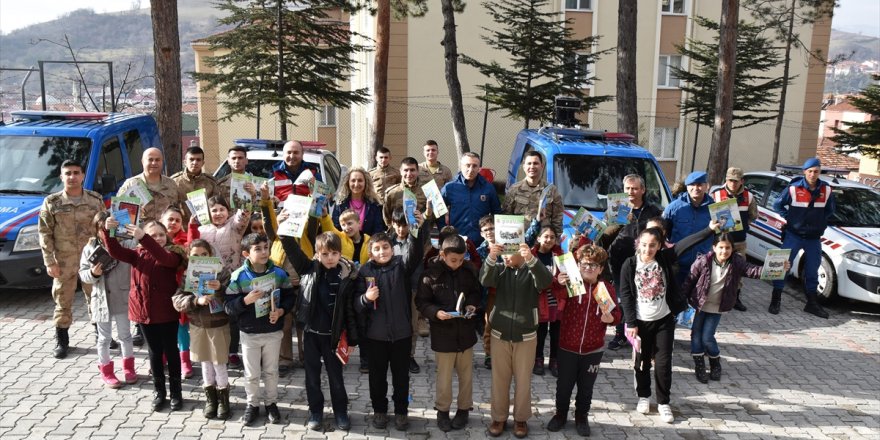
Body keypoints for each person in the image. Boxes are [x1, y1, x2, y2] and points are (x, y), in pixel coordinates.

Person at [277, 231, 360, 431]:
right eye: (324, 254)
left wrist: (352, 340)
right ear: (317, 255)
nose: (329, 258)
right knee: (312, 377)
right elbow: (293, 250)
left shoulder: (347, 276)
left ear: (340, 253)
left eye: (333, 253)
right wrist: (285, 232)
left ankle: (340, 411)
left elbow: (349, 309)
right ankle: (316, 411)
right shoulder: (309, 269)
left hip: (334, 338)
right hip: (312, 335)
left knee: (336, 378)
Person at [102, 218, 187, 411]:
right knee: (154, 352)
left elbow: (163, 259)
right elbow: (114, 251)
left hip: (166, 312)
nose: (156, 238)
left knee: (171, 350)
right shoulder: (137, 254)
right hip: (144, 311)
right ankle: (159, 392)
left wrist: (143, 237)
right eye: (152, 234)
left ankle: (176, 392)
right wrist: (109, 232)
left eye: (160, 235)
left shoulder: (174, 253)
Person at [682, 233, 787, 383]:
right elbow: (689, 281)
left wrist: (777, 268)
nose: (724, 251)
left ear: (732, 249)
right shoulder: (703, 261)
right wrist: (680, 301)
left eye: (727, 248)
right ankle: (699, 367)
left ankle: (715, 363)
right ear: (714, 247)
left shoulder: (737, 262)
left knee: (707, 338)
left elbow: (753, 270)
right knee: (695, 336)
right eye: (721, 247)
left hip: (717, 307)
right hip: (699, 305)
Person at [481, 241, 553, 438]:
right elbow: (485, 280)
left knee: (523, 381)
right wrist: (491, 258)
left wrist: (531, 259)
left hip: (526, 336)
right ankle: (498, 418)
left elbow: (546, 281)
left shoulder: (531, 269)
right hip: (499, 335)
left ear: (522, 252)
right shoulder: (500, 269)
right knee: (499, 380)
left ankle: (520, 419)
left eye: (509, 252)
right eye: (502, 252)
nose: (505, 256)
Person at [618, 227, 689, 424]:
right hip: (640, 323)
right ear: (638, 244)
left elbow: (684, 245)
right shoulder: (630, 264)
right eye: (644, 245)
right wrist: (631, 322)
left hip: (663, 321)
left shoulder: (663, 259)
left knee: (664, 363)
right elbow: (625, 295)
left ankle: (663, 403)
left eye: (652, 245)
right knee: (641, 362)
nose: (647, 249)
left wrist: (709, 230)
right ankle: (643, 396)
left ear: (659, 246)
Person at [354, 232, 424, 431]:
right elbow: (356, 305)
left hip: (401, 334)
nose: (382, 251)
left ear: (392, 249)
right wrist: (365, 298)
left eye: (385, 247)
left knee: (401, 377)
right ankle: (380, 411)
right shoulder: (364, 271)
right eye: (377, 249)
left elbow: (416, 252)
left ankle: (401, 411)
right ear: (370, 252)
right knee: (377, 378)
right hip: (375, 337)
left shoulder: (401, 266)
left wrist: (418, 229)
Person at [549, 245, 621, 437]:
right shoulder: (572, 284)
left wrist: (611, 319)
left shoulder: (606, 289)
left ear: (601, 268)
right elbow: (557, 297)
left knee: (586, 388)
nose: (589, 268)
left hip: (593, 350)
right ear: (578, 265)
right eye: (585, 264)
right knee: (563, 386)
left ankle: (582, 416)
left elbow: (617, 314)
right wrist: (558, 282)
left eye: (594, 265)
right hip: (567, 347)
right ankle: (560, 415)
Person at [224, 233, 295, 426]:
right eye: (258, 249)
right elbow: (228, 307)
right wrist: (245, 301)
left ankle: (271, 403)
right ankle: (252, 404)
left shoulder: (279, 273)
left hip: (273, 332)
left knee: (271, 371)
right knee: (252, 373)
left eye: (266, 247)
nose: (264, 252)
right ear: (247, 253)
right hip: (249, 333)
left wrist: (281, 311)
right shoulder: (238, 277)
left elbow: (290, 297)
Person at [38, 159, 106, 359]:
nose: (72, 177)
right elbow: (44, 233)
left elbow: (103, 230)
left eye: (76, 173)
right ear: (61, 177)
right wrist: (49, 261)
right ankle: (62, 340)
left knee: (96, 297)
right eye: (67, 173)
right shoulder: (52, 202)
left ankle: (102, 336)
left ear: (83, 176)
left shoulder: (95, 200)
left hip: (91, 260)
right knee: (62, 300)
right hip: (63, 261)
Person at [415, 234, 482, 432]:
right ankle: (442, 411)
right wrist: (435, 313)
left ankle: (463, 410)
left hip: (466, 334)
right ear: (443, 254)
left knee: (466, 376)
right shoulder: (430, 274)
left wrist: (472, 305)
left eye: (461, 260)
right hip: (443, 334)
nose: (457, 264)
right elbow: (421, 302)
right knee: (444, 378)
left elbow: (476, 293)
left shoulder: (469, 271)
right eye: (453, 260)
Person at [171, 240, 233, 420]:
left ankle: (223, 400)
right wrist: (195, 301)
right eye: (195, 255)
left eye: (204, 255)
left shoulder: (221, 273)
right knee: (205, 363)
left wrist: (220, 288)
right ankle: (211, 400)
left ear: (210, 255)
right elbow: (177, 300)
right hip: (198, 325)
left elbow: (233, 294)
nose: (199, 258)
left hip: (218, 325)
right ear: (190, 257)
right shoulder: (187, 276)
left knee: (219, 363)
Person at [770, 157, 836, 319]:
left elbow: (830, 210)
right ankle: (775, 299)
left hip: (813, 238)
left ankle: (812, 303)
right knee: (781, 266)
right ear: (804, 172)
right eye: (810, 171)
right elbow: (777, 205)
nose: (813, 174)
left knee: (812, 270)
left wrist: (819, 222)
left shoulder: (826, 190)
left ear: (819, 172)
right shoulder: (793, 188)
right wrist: (790, 218)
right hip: (793, 235)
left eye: (816, 171)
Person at [78, 211, 136, 389]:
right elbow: (83, 274)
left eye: (109, 227)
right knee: (104, 338)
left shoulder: (125, 243)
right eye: (102, 228)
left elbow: (137, 243)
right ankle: (106, 370)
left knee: (125, 335)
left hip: (122, 296)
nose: (105, 231)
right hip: (101, 300)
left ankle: (129, 368)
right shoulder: (89, 248)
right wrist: (93, 273)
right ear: (96, 230)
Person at [606, 174, 663, 350]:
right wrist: (619, 223)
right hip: (618, 261)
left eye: (635, 188)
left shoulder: (654, 211)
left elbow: (660, 235)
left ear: (643, 190)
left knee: (641, 297)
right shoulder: (616, 208)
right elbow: (605, 236)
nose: (631, 192)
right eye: (628, 189)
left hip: (644, 263)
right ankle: (620, 335)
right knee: (621, 299)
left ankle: (639, 333)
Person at [199, 196, 251, 370]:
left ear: (228, 211)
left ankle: (233, 352)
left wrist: (246, 200)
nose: (218, 213)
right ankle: (217, 350)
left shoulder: (234, 227)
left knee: (233, 317)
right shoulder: (202, 228)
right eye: (214, 210)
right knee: (216, 315)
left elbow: (242, 218)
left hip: (231, 278)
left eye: (222, 209)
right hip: (210, 279)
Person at [161, 207, 201, 379]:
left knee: (181, 326)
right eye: (170, 219)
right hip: (160, 290)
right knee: (162, 326)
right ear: (162, 221)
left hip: (179, 287)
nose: (174, 223)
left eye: (177, 220)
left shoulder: (184, 239)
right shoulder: (155, 239)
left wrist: (192, 228)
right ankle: (161, 358)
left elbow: (192, 250)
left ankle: (184, 360)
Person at [710, 167, 757, 312]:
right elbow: (708, 215)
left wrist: (742, 226)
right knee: (716, 269)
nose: (733, 183)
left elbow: (753, 215)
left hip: (739, 242)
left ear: (742, 181)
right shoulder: (716, 195)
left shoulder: (749, 197)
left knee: (738, 271)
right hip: (720, 242)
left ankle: (735, 298)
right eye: (730, 180)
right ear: (726, 180)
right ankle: (716, 297)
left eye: (736, 181)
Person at [389, 208, 429, 375]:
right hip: (392, 290)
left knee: (411, 325)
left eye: (404, 225)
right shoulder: (388, 242)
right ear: (392, 224)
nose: (401, 229)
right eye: (397, 225)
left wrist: (421, 221)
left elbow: (421, 238)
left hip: (412, 288)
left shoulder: (416, 238)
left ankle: (409, 356)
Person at [662, 171, 714, 283]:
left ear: (707, 186)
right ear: (687, 186)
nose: (696, 188)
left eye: (700, 184)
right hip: (678, 265)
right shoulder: (674, 208)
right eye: (692, 185)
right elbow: (664, 234)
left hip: (702, 266)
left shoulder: (715, 208)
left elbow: (723, 235)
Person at [441, 152, 502, 246]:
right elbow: (439, 212)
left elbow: (497, 214)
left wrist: (494, 237)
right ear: (461, 166)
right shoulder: (449, 187)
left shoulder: (488, 188)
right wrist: (445, 233)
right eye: (467, 165)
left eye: (474, 166)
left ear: (479, 168)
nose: (471, 169)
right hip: (457, 241)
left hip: (482, 242)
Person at [530, 226, 565, 377]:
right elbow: (536, 280)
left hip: (557, 301)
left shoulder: (561, 255)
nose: (549, 239)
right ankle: (538, 360)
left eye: (552, 237)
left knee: (557, 333)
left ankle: (555, 361)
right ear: (538, 238)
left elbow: (568, 276)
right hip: (539, 301)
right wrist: (556, 281)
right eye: (546, 236)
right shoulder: (531, 256)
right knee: (540, 332)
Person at [503, 151, 564, 235]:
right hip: (520, 238)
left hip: (542, 241)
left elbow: (558, 217)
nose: (532, 166)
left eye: (535, 163)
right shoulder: (514, 189)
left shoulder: (551, 190)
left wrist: (557, 239)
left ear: (542, 166)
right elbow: (506, 216)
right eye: (529, 163)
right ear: (524, 167)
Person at [117, 147, 184, 223]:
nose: (154, 163)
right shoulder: (131, 184)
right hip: (141, 233)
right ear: (143, 162)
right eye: (150, 159)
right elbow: (118, 213)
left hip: (165, 233)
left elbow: (179, 211)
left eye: (157, 160)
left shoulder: (171, 184)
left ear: (162, 162)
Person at [475, 215, 500, 369]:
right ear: (481, 234)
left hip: (506, 292)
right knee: (489, 324)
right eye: (486, 230)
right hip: (489, 294)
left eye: (492, 228)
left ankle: (503, 354)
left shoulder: (507, 246)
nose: (489, 232)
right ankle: (489, 354)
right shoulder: (480, 251)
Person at [332, 167, 386, 236]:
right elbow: (336, 230)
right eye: (353, 180)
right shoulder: (340, 204)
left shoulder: (374, 205)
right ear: (348, 182)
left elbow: (378, 231)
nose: (356, 184)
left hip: (368, 245)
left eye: (360, 180)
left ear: (365, 182)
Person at [172, 146, 219, 220]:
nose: (195, 162)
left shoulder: (211, 183)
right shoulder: (174, 182)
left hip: (206, 227)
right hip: (182, 227)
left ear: (203, 163)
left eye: (198, 160)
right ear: (185, 162)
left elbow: (217, 205)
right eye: (191, 159)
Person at [383, 157, 428, 228]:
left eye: (412, 170)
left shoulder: (427, 190)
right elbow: (387, 217)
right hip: (399, 234)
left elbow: (436, 214)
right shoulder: (392, 193)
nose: (409, 174)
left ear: (418, 171)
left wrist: (426, 215)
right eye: (406, 170)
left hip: (422, 234)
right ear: (400, 171)